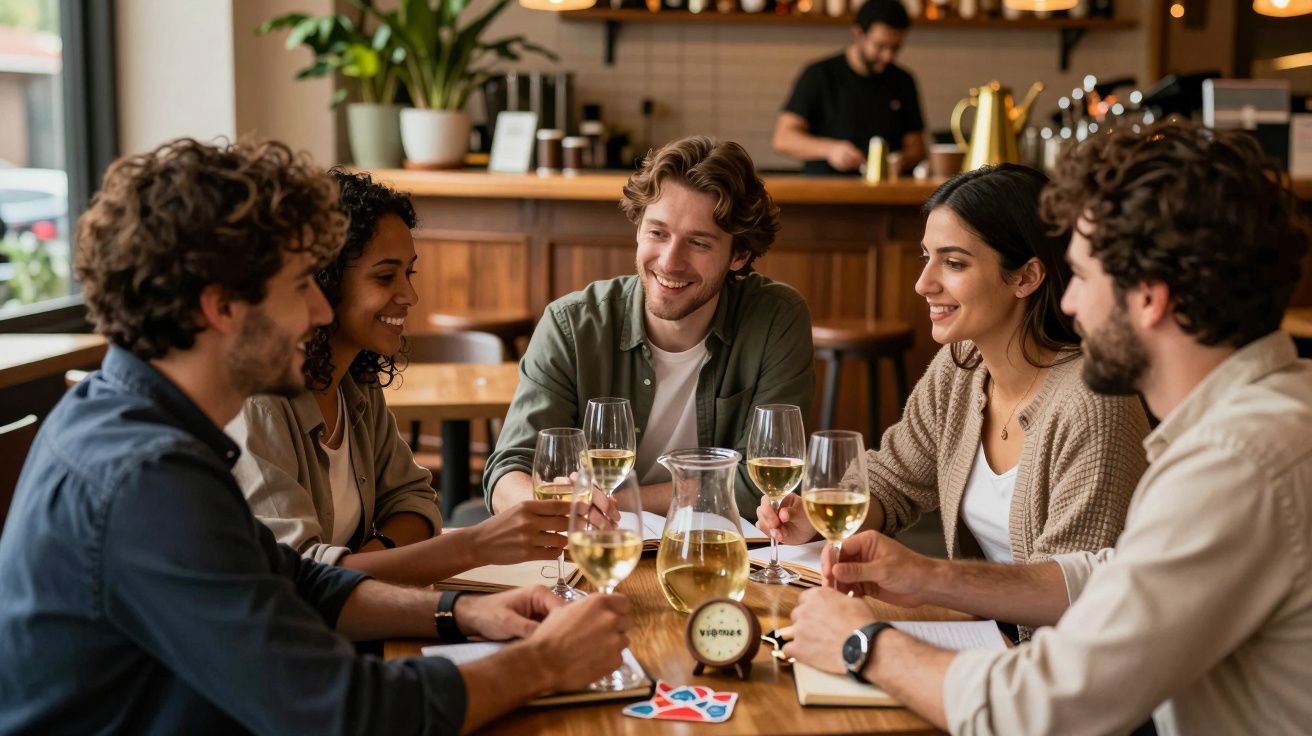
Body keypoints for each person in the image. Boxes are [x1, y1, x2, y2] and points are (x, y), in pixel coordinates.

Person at [0, 138, 629, 734]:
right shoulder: (148, 479)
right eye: (302, 285)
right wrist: (545, 663)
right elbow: (343, 716)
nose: (321, 311)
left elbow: (298, 582)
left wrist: (461, 611)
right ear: (223, 307)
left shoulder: (125, 417)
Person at [783, 121, 1312, 734]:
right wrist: (929, 575)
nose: (1067, 304)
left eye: (1083, 278)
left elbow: (1050, 706)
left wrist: (865, 645)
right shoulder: (1263, 415)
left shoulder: (1235, 462)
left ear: (1150, 298)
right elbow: (1110, 574)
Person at [759, 164, 1149, 576]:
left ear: (1026, 276)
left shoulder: (1094, 407)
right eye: (927, 258)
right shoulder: (962, 367)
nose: (923, 283)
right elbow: (894, 480)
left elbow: (1072, 593)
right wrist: (815, 520)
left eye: (955, 263)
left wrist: (928, 584)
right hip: (979, 624)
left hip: (1047, 638)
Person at [228, 169, 568, 586]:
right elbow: (305, 583)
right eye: (385, 276)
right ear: (325, 282)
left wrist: (364, 566)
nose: (410, 296)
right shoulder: (262, 404)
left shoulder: (356, 382)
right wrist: (473, 545)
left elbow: (417, 502)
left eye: (409, 273)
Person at [484, 135, 814, 521]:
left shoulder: (776, 318)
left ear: (738, 255)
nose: (670, 262)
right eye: (657, 233)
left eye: (698, 243)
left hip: (712, 553)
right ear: (639, 229)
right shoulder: (571, 325)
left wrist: (612, 505)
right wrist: (539, 501)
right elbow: (509, 471)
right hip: (585, 551)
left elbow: (759, 486)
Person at [774, 0, 927, 176]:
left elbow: (917, 147)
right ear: (858, 33)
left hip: (888, 191)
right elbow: (783, 138)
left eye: (895, 48)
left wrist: (902, 160)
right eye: (880, 46)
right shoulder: (819, 75)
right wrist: (830, 150)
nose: (888, 56)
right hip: (828, 190)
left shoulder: (903, 80)